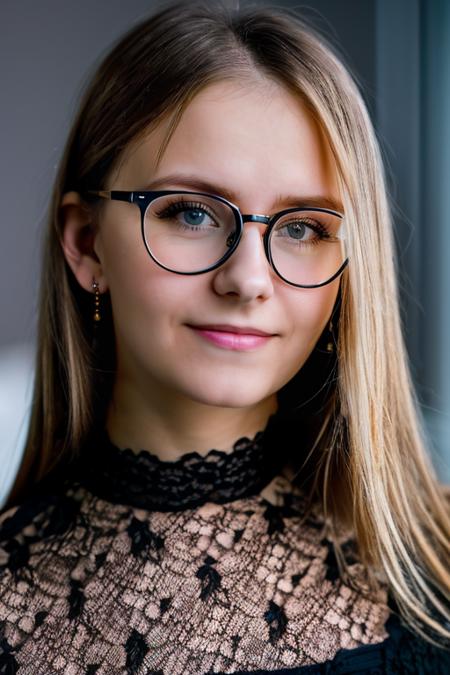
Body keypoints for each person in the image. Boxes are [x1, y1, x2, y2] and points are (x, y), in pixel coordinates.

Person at [0, 1, 449, 673]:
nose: (248, 278)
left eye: (302, 227)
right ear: (87, 244)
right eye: (190, 212)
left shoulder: (437, 565)